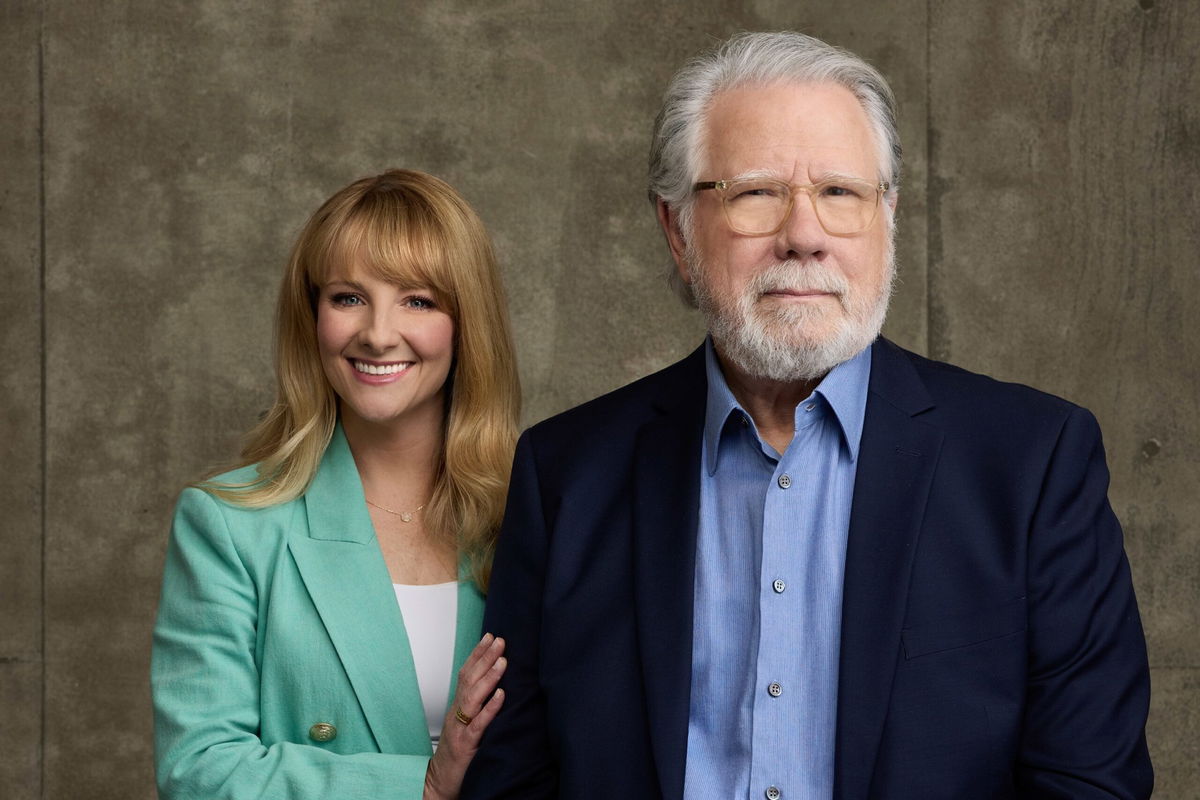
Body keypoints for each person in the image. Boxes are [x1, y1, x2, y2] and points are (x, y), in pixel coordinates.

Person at [462, 31, 1153, 800]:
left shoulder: (1032, 465)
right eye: (755, 192)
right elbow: (513, 781)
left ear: (887, 217)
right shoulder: (566, 474)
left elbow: (1090, 784)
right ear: (676, 232)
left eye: (840, 193)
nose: (804, 234)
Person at [152, 169, 519, 799]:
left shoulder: (536, 513)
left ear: (467, 324)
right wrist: (422, 787)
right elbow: (198, 771)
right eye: (348, 297)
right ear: (311, 315)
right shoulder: (229, 524)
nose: (377, 334)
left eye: (419, 300)